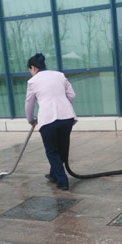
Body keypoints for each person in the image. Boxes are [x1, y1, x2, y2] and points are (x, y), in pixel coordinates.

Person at [25, 53, 77, 190]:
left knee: (52, 151)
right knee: (62, 149)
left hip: (47, 119)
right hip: (66, 117)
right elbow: (72, 95)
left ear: (33, 67)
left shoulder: (33, 81)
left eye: (30, 70)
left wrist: (31, 120)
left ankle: (62, 181)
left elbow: (29, 104)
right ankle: (54, 175)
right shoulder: (59, 75)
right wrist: (62, 104)